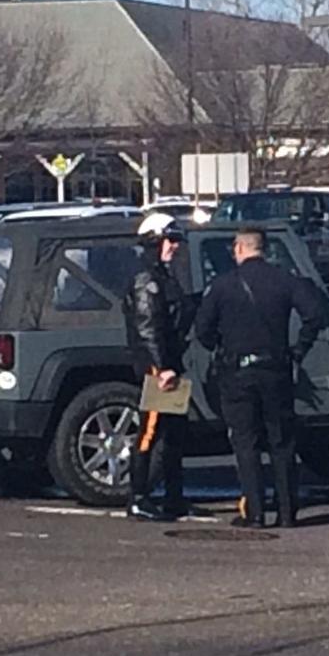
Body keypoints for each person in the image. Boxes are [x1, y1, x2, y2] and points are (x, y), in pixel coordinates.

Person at [194, 227, 328, 529]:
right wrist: (298, 350)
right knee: (281, 442)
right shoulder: (285, 280)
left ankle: (254, 513)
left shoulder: (223, 285)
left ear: (239, 248)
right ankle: (287, 512)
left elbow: (202, 328)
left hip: (237, 371)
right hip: (276, 369)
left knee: (245, 442)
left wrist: (219, 345)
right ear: (263, 249)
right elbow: (315, 314)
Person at [123, 212, 199, 522]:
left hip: (171, 362)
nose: (175, 247)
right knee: (150, 432)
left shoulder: (162, 277)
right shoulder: (146, 280)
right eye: (170, 240)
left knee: (175, 433)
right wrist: (161, 366)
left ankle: (174, 497)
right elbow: (148, 327)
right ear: (154, 241)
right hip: (159, 368)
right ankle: (138, 497)